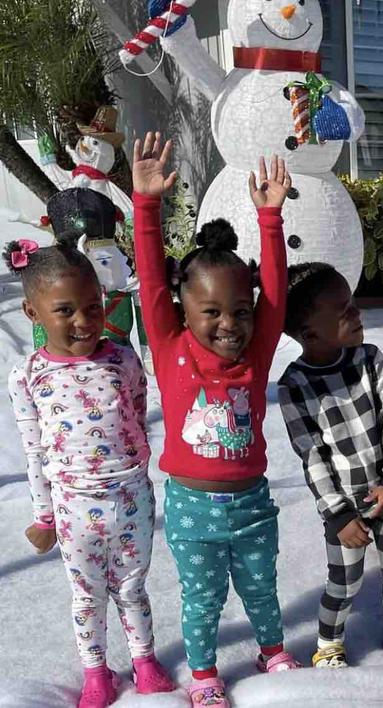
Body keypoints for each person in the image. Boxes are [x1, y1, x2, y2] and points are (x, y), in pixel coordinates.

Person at [131, 132, 299, 708]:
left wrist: (270, 218)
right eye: (211, 312)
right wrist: (146, 205)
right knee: (201, 600)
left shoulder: (255, 350)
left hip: (252, 504)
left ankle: (272, 648)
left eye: (240, 311)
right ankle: (203, 674)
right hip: (191, 508)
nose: (229, 324)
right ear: (183, 311)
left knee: (261, 588)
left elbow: (274, 295)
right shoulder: (170, 343)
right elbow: (153, 280)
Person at [6, 238, 173, 708]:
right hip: (74, 506)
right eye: (65, 310)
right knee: (87, 596)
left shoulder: (122, 358)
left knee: (133, 587)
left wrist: (140, 470)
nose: (83, 320)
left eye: (92, 306)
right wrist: (44, 518)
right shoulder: (28, 375)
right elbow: (33, 450)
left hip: (132, 496)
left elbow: (138, 413)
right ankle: (96, 672)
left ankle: (144, 660)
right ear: (33, 312)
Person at [278, 262, 383, 669]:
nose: (357, 313)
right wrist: (340, 515)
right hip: (344, 508)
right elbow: (311, 456)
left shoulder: (370, 358)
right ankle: (329, 643)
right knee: (343, 581)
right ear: (310, 333)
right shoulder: (295, 385)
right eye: (344, 310)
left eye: (353, 304)